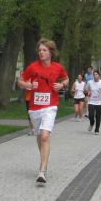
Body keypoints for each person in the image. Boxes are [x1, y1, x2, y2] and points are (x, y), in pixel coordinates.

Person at [18, 39, 69, 185]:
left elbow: (66, 79)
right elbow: (20, 82)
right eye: (40, 50)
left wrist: (62, 85)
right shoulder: (33, 67)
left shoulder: (58, 67)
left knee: (45, 136)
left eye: (44, 50)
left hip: (50, 106)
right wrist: (29, 85)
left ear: (51, 52)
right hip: (34, 108)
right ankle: (43, 160)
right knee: (40, 136)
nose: (41, 52)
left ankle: (42, 170)